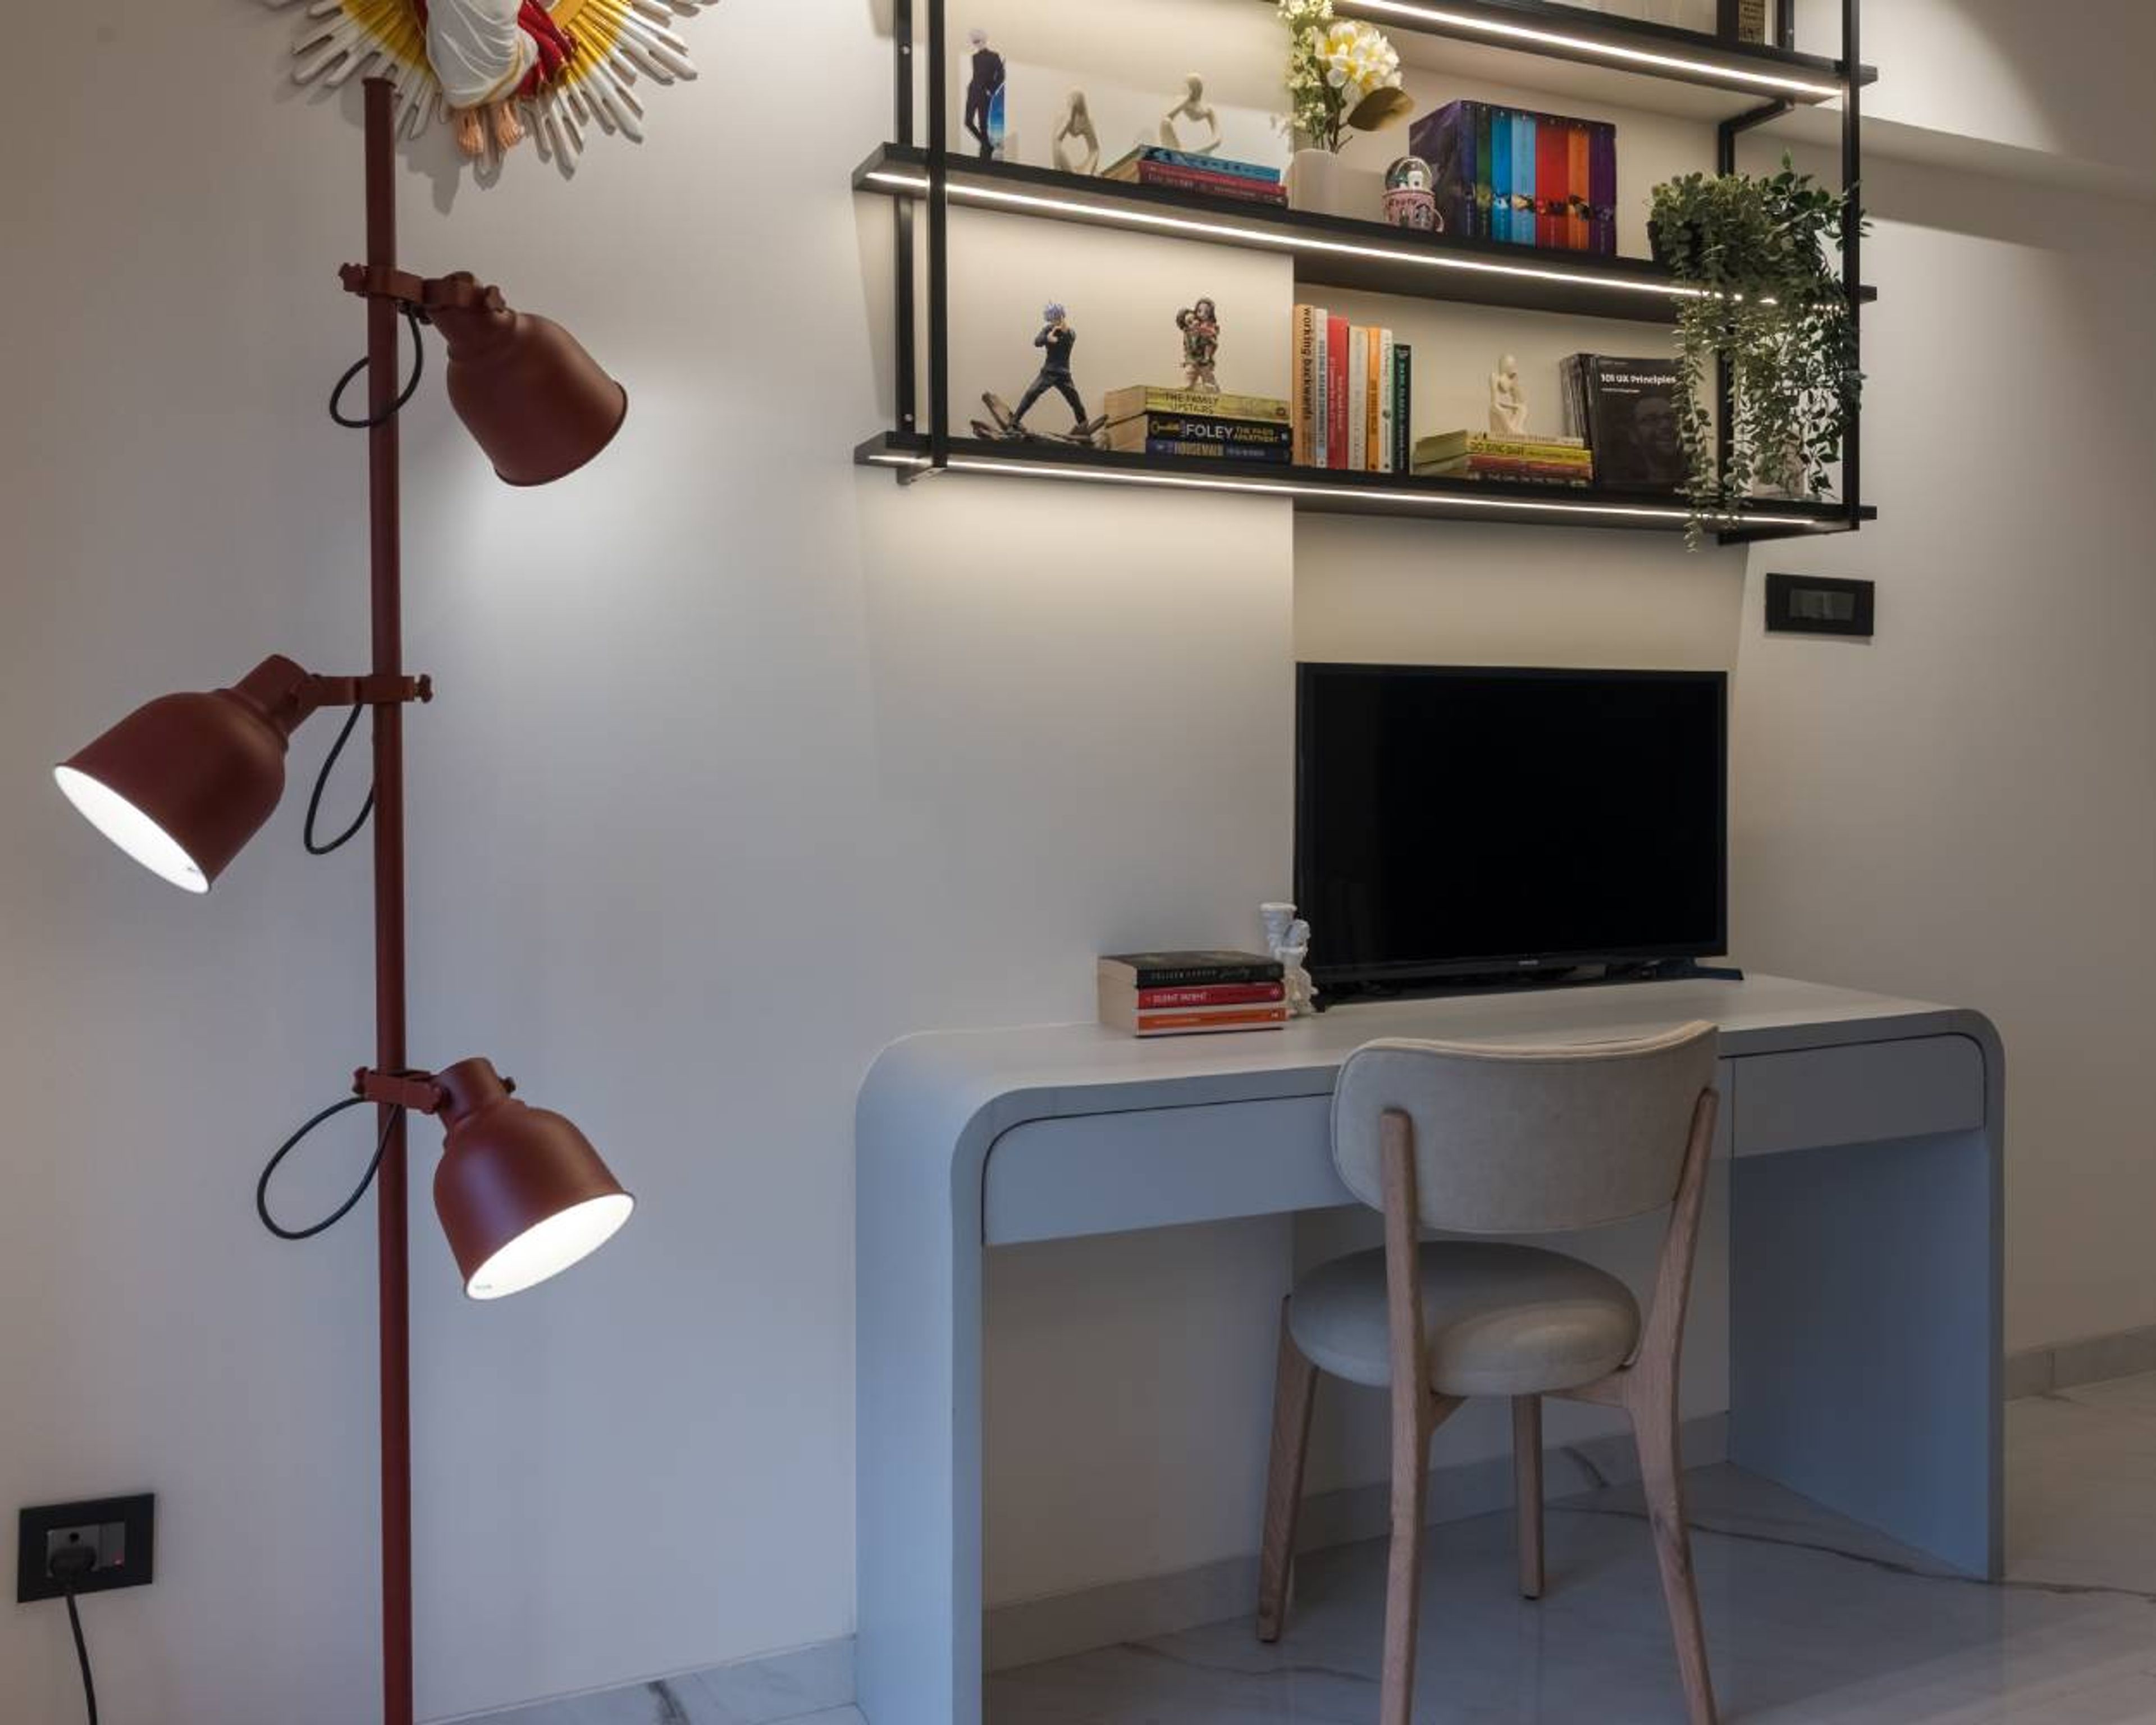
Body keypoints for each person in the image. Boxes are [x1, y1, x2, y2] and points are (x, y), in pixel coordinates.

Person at [1013, 304, 1086, 431]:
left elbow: (1069, 338)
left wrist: (1063, 332)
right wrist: (1047, 338)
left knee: (1075, 402)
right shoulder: (1048, 330)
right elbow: (1037, 342)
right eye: (1052, 319)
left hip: (1064, 375)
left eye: (1058, 318)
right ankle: (1014, 422)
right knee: (1031, 393)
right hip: (1048, 372)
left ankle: (1084, 426)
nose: (1055, 322)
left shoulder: (1071, 333)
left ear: (1063, 317)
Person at [963, 30, 1007, 161]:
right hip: (973, 91)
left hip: (984, 94)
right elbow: (977, 76)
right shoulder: (974, 58)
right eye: (974, 42)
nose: (977, 44)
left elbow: (1001, 76)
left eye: (978, 41)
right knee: (968, 122)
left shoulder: (994, 56)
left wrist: (991, 90)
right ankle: (986, 144)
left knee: (983, 124)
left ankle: (986, 150)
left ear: (984, 41)